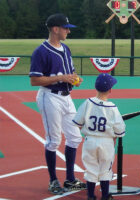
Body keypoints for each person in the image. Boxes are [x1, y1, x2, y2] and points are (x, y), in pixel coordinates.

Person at [29, 13, 86, 195]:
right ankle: (53, 180)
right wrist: (61, 77)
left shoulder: (66, 48)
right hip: (49, 97)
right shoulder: (41, 51)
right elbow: (35, 80)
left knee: (75, 137)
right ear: (55, 29)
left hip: (66, 97)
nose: (68, 31)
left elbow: (71, 71)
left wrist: (75, 79)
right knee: (54, 140)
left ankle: (69, 179)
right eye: (65, 28)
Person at [72, 73, 126, 200]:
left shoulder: (87, 103)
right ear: (110, 90)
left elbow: (78, 123)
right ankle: (105, 196)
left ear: (96, 88)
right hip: (106, 142)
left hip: (89, 140)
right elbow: (119, 130)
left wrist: (87, 133)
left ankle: (90, 196)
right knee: (105, 169)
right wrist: (113, 139)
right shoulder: (113, 107)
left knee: (91, 168)